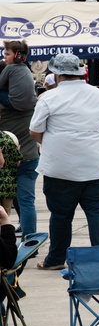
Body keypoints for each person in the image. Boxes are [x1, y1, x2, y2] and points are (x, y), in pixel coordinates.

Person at [29, 53, 99, 271]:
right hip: (95, 165)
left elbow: (35, 131)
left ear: (56, 74)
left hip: (60, 168)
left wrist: (53, 143)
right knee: (97, 213)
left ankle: (55, 260)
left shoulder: (48, 98)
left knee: (61, 215)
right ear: (79, 71)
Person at [0, 39, 39, 237]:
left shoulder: (3, 107)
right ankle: (31, 239)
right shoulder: (30, 100)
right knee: (26, 199)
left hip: (6, 160)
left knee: (5, 201)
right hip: (30, 155)